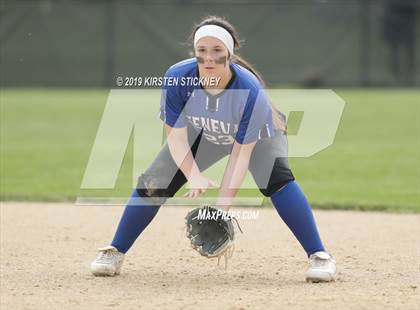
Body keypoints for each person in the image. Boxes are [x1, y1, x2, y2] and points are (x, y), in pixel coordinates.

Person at [90, 15, 336, 282]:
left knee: (276, 179)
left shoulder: (248, 89)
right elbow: (176, 138)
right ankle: (115, 251)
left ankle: (319, 256)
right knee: (155, 181)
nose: (209, 58)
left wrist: (222, 208)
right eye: (202, 51)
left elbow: (241, 155)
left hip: (261, 135)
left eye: (217, 51)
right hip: (205, 131)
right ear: (194, 53)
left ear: (229, 53)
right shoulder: (177, 77)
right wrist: (192, 173)